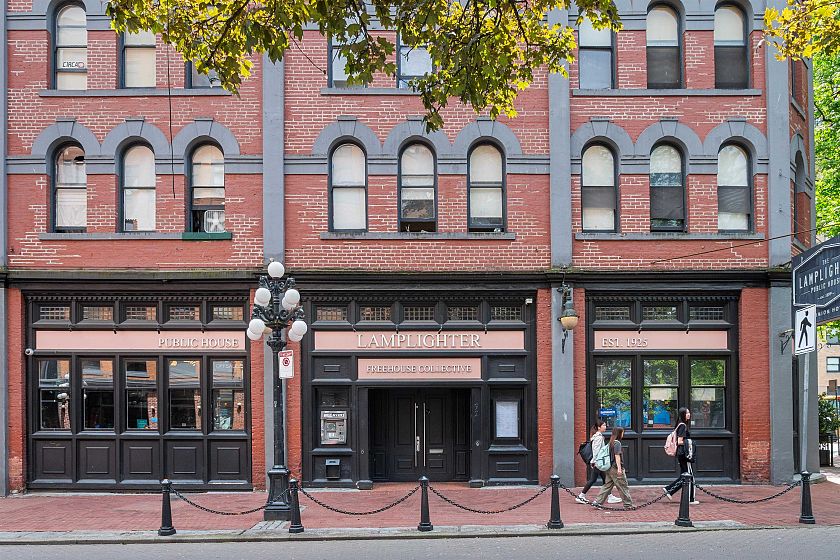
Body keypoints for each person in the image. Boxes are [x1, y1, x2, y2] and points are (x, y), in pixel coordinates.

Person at [576, 419, 622, 504]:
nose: (605, 427)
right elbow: (596, 450)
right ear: (598, 427)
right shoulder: (599, 438)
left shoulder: (597, 436)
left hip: (598, 461)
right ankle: (581, 496)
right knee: (594, 480)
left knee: (604, 479)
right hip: (598, 462)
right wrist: (595, 461)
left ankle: (609, 496)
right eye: (603, 425)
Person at [663, 407, 699, 504]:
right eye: (687, 413)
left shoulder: (680, 425)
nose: (689, 414)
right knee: (689, 476)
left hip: (681, 454)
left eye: (689, 412)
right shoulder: (682, 426)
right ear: (683, 414)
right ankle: (690, 498)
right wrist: (690, 443)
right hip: (684, 454)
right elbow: (679, 441)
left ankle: (669, 489)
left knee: (684, 476)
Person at [593, 427, 633, 508]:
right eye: (622, 432)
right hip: (615, 467)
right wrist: (619, 469)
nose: (623, 434)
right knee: (622, 486)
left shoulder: (610, 442)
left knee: (607, 485)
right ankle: (628, 504)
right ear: (619, 433)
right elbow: (617, 456)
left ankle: (598, 502)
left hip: (609, 467)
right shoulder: (617, 443)